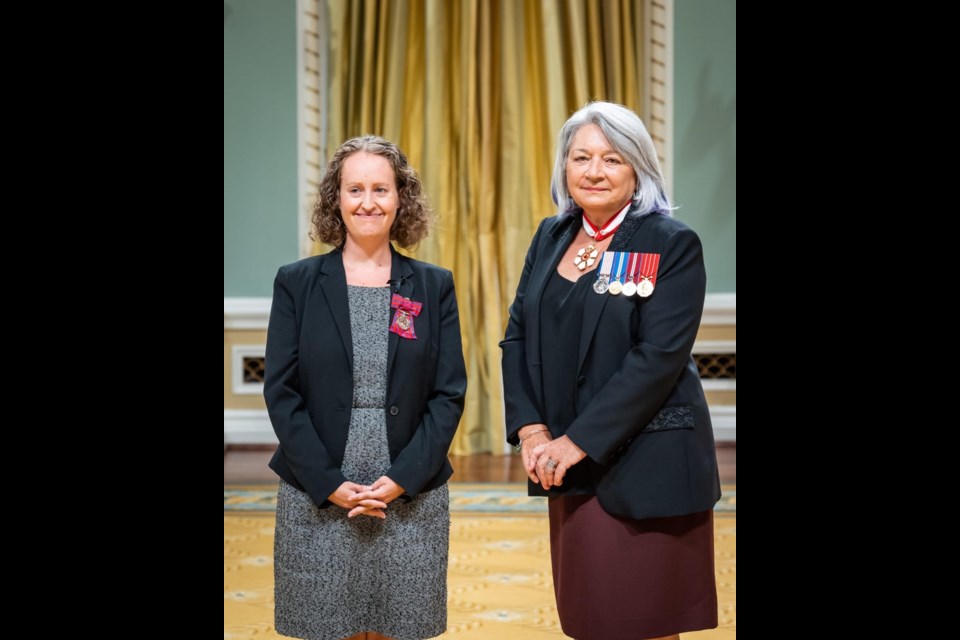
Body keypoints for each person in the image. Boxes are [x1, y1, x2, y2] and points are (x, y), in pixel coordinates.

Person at [500, 102, 720, 640]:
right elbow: (517, 337)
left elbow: (658, 359)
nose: (594, 171)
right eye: (581, 158)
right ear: (564, 167)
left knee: (644, 621)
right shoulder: (551, 236)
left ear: (638, 168)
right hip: (570, 467)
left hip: (646, 462)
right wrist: (532, 430)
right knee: (591, 619)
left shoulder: (669, 243)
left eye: (612, 159)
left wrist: (576, 440)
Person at [264, 135, 467, 640]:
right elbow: (281, 391)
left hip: (409, 487)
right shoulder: (297, 282)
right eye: (355, 189)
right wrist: (326, 482)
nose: (368, 202)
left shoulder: (433, 284)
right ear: (337, 199)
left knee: (398, 626)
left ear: (402, 199)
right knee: (327, 625)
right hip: (318, 483)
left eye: (381, 189)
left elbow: (449, 392)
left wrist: (404, 478)